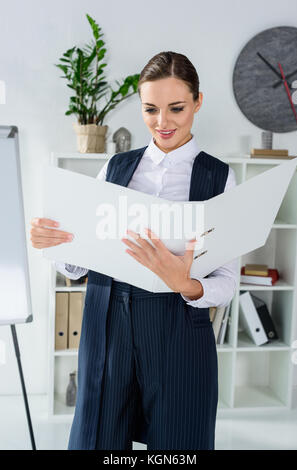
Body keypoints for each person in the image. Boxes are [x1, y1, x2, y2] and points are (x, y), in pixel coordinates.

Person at [30, 51, 238, 450]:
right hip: (109, 324)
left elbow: (227, 281)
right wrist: (52, 243)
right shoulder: (115, 167)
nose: (163, 123)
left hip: (178, 330)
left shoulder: (218, 176)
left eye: (176, 108)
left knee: (181, 444)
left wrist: (187, 283)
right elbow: (78, 262)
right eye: (150, 109)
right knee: (98, 440)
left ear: (197, 101)